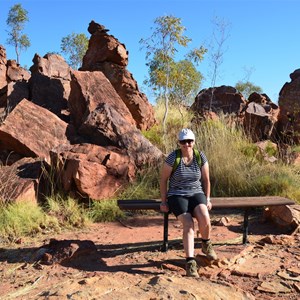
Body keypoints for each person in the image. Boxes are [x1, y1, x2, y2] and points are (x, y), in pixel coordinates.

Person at [160, 128, 217, 277]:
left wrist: (208, 199)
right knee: (188, 224)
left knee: (204, 216)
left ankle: (206, 243)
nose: (187, 144)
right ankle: (190, 262)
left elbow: (206, 180)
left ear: (194, 141)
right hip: (177, 194)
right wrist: (164, 201)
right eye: (183, 141)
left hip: (196, 192)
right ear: (179, 143)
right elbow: (163, 180)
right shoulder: (173, 158)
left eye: (189, 141)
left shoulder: (200, 156)